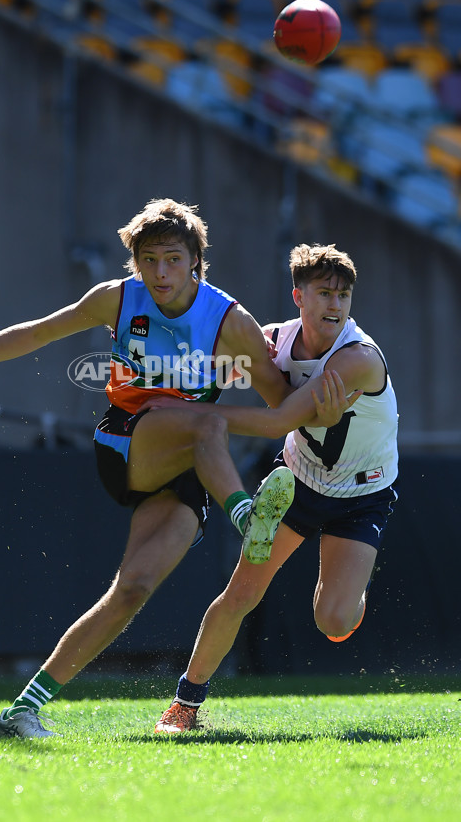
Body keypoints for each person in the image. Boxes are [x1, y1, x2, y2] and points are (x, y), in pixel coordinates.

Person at [0, 201, 357, 739]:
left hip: (189, 465)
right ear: (135, 264)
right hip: (126, 443)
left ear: (196, 263)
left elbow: (280, 408)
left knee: (133, 588)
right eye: (149, 260)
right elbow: (36, 333)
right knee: (208, 424)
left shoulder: (230, 322)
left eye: (172, 259)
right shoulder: (118, 300)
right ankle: (248, 520)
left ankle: (22, 709)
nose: (161, 272)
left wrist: (323, 412)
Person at [154, 242, 398, 734]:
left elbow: (280, 419)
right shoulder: (274, 341)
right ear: (298, 297)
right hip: (297, 484)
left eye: (344, 295)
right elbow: (216, 372)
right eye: (324, 293)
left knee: (333, 621)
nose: (335, 304)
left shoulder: (359, 358)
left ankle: (354, 591)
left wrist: (186, 416)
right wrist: (168, 384)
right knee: (241, 592)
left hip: (362, 495)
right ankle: (185, 705)